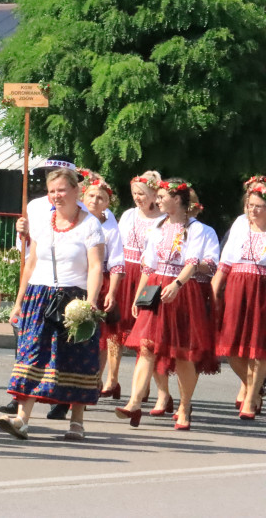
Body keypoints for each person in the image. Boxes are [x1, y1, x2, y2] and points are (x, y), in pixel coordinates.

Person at [0, 168, 104, 442]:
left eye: (62, 190)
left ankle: (77, 423)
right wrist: (19, 302)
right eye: (52, 191)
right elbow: (31, 263)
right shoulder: (43, 222)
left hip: (74, 298)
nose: (57, 195)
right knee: (31, 354)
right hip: (39, 295)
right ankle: (22, 419)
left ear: (76, 191)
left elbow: (95, 267)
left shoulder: (90, 224)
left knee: (76, 359)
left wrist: (91, 302)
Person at [118, 178, 219, 431]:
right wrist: (138, 296)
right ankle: (134, 403)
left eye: (162, 196)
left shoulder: (197, 230)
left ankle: (185, 405)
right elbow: (148, 265)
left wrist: (177, 285)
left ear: (178, 199)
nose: (158, 200)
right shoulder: (158, 227)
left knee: (182, 353)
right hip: (156, 287)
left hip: (184, 291)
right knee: (146, 347)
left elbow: (193, 263)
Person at [103, 170, 164, 404]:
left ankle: (143, 386)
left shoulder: (162, 219)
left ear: (154, 194)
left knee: (144, 332)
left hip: (148, 275)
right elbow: (116, 243)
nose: (137, 197)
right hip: (125, 272)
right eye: (134, 193)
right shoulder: (128, 215)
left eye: (142, 193)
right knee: (115, 329)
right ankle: (112, 379)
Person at [213, 177, 266, 419]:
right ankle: (254, 390)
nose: (253, 210)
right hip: (236, 286)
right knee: (231, 346)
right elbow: (225, 261)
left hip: (262, 289)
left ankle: (251, 397)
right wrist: (214, 290)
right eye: (250, 205)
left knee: (259, 348)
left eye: (259, 206)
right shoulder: (240, 223)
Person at [79, 171, 127, 401]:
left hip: (101, 280)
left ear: (107, 203)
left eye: (100, 198)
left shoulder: (110, 227)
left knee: (98, 337)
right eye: (91, 196)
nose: (94, 201)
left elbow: (117, 262)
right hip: (77, 278)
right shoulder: (76, 219)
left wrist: (112, 292)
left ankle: (93, 380)